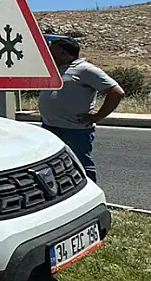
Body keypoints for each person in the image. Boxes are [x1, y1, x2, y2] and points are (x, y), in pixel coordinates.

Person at [37, 37, 125, 182]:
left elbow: (116, 92)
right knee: (54, 167)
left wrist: (98, 116)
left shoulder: (85, 69)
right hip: (49, 127)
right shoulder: (55, 69)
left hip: (74, 130)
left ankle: (89, 196)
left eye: (52, 51)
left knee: (81, 166)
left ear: (63, 53)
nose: (48, 54)